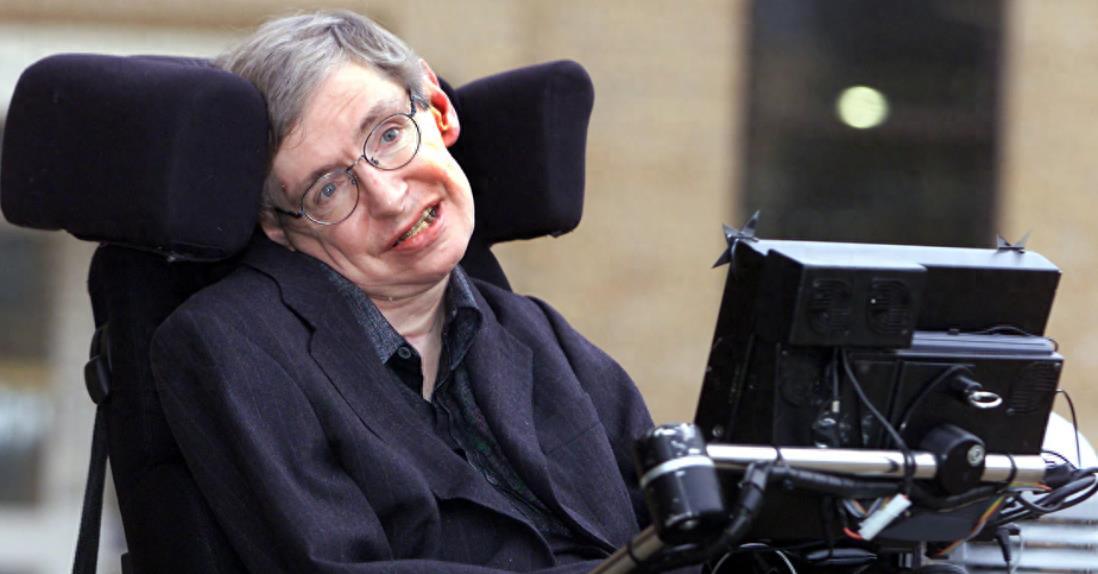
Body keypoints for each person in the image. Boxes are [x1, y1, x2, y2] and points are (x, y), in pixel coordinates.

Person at [150, 9, 654, 572]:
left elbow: (682, 522)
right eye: (328, 189)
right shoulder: (232, 345)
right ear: (278, 227)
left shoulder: (540, 331)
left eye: (389, 134)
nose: (388, 198)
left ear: (437, 109)